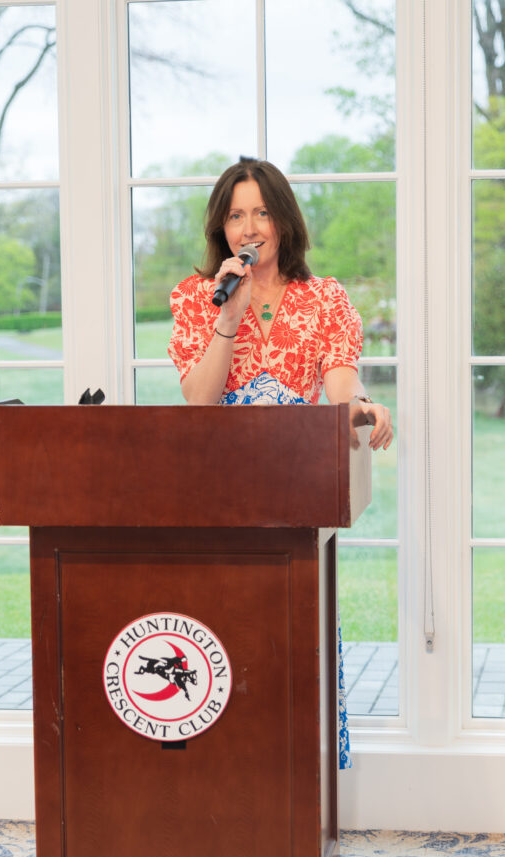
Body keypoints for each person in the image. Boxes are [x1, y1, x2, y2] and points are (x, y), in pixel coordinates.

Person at [168, 157, 394, 767]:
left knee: (293, 636)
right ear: (221, 228)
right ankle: (225, 772)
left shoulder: (326, 299)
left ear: (284, 222)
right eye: (235, 215)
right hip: (219, 495)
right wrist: (228, 316)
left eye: (262, 213)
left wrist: (362, 406)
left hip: (294, 493)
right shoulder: (197, 298)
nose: (249, 228)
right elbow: (200, 400)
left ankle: (297, 781)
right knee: (222, 632)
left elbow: (340, 389)